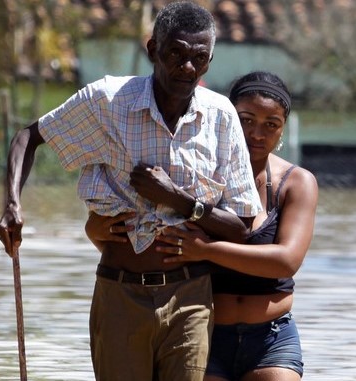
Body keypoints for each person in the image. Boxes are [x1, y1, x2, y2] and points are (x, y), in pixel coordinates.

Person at [0, 2, 262, 380]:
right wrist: (11, 205)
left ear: (209, 62)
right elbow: (28, 137)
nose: (187, 67)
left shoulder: (220, 117)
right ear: (152, 50)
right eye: (176, 53)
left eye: (199, 59)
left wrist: (179, 200)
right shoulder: (108, 101)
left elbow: (241, 228)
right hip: (120, 293)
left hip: (189, 299)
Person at [88, 71, 318, 380]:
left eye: (271, 125)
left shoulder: (296, 183)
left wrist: (207, 251)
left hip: (271, 337)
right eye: (246, 120)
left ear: (282, 131)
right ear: (225, 119)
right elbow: (138, 236)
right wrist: (94, 230)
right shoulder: (193, 173)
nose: (257, 134)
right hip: (203, 331)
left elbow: (286, 262)